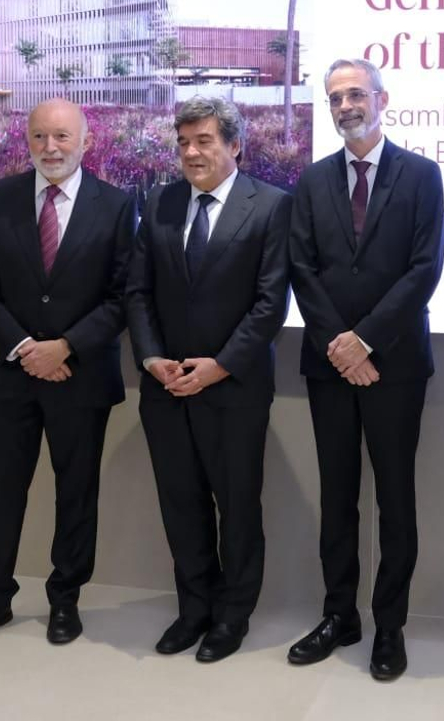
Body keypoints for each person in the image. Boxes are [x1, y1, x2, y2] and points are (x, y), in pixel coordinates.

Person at [286, 58, 444, 681]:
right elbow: (303, 267)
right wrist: (340, 345)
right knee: (337, 498)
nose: (346, 106)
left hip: (395, 366)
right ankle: (339, 615)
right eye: (335, 98)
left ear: (383, 99)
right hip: (330, 367)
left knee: (396, 500)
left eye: (356, 94)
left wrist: (367, 342)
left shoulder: (421, 175)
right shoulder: (312, 180)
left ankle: (389, 626)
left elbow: (423, 268)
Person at [0, 98, 136, 648]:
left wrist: (66, 348)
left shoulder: (118, 204)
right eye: (39, 137)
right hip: (9, 377)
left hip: (81, 378)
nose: (50, 148)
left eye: (61, 137)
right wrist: (25, 347)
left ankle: (65, 601)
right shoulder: (0, 197)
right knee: (4, 491)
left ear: (87, 141)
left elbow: (124, 295)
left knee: (76, 492)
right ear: (27, 142)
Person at [125, 96, 292, 663]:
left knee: (238, 507)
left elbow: (271, 305)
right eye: (184, 142)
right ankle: (193, 609)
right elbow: (138, 292)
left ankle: (232, 615)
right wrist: (151, 359)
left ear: (235, 144)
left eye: (204, 141)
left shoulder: (270, 206)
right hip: (166, 387)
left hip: (235, 389)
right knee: (182, 504)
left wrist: (218, 366)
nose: (191, 152)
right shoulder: (159, 201)